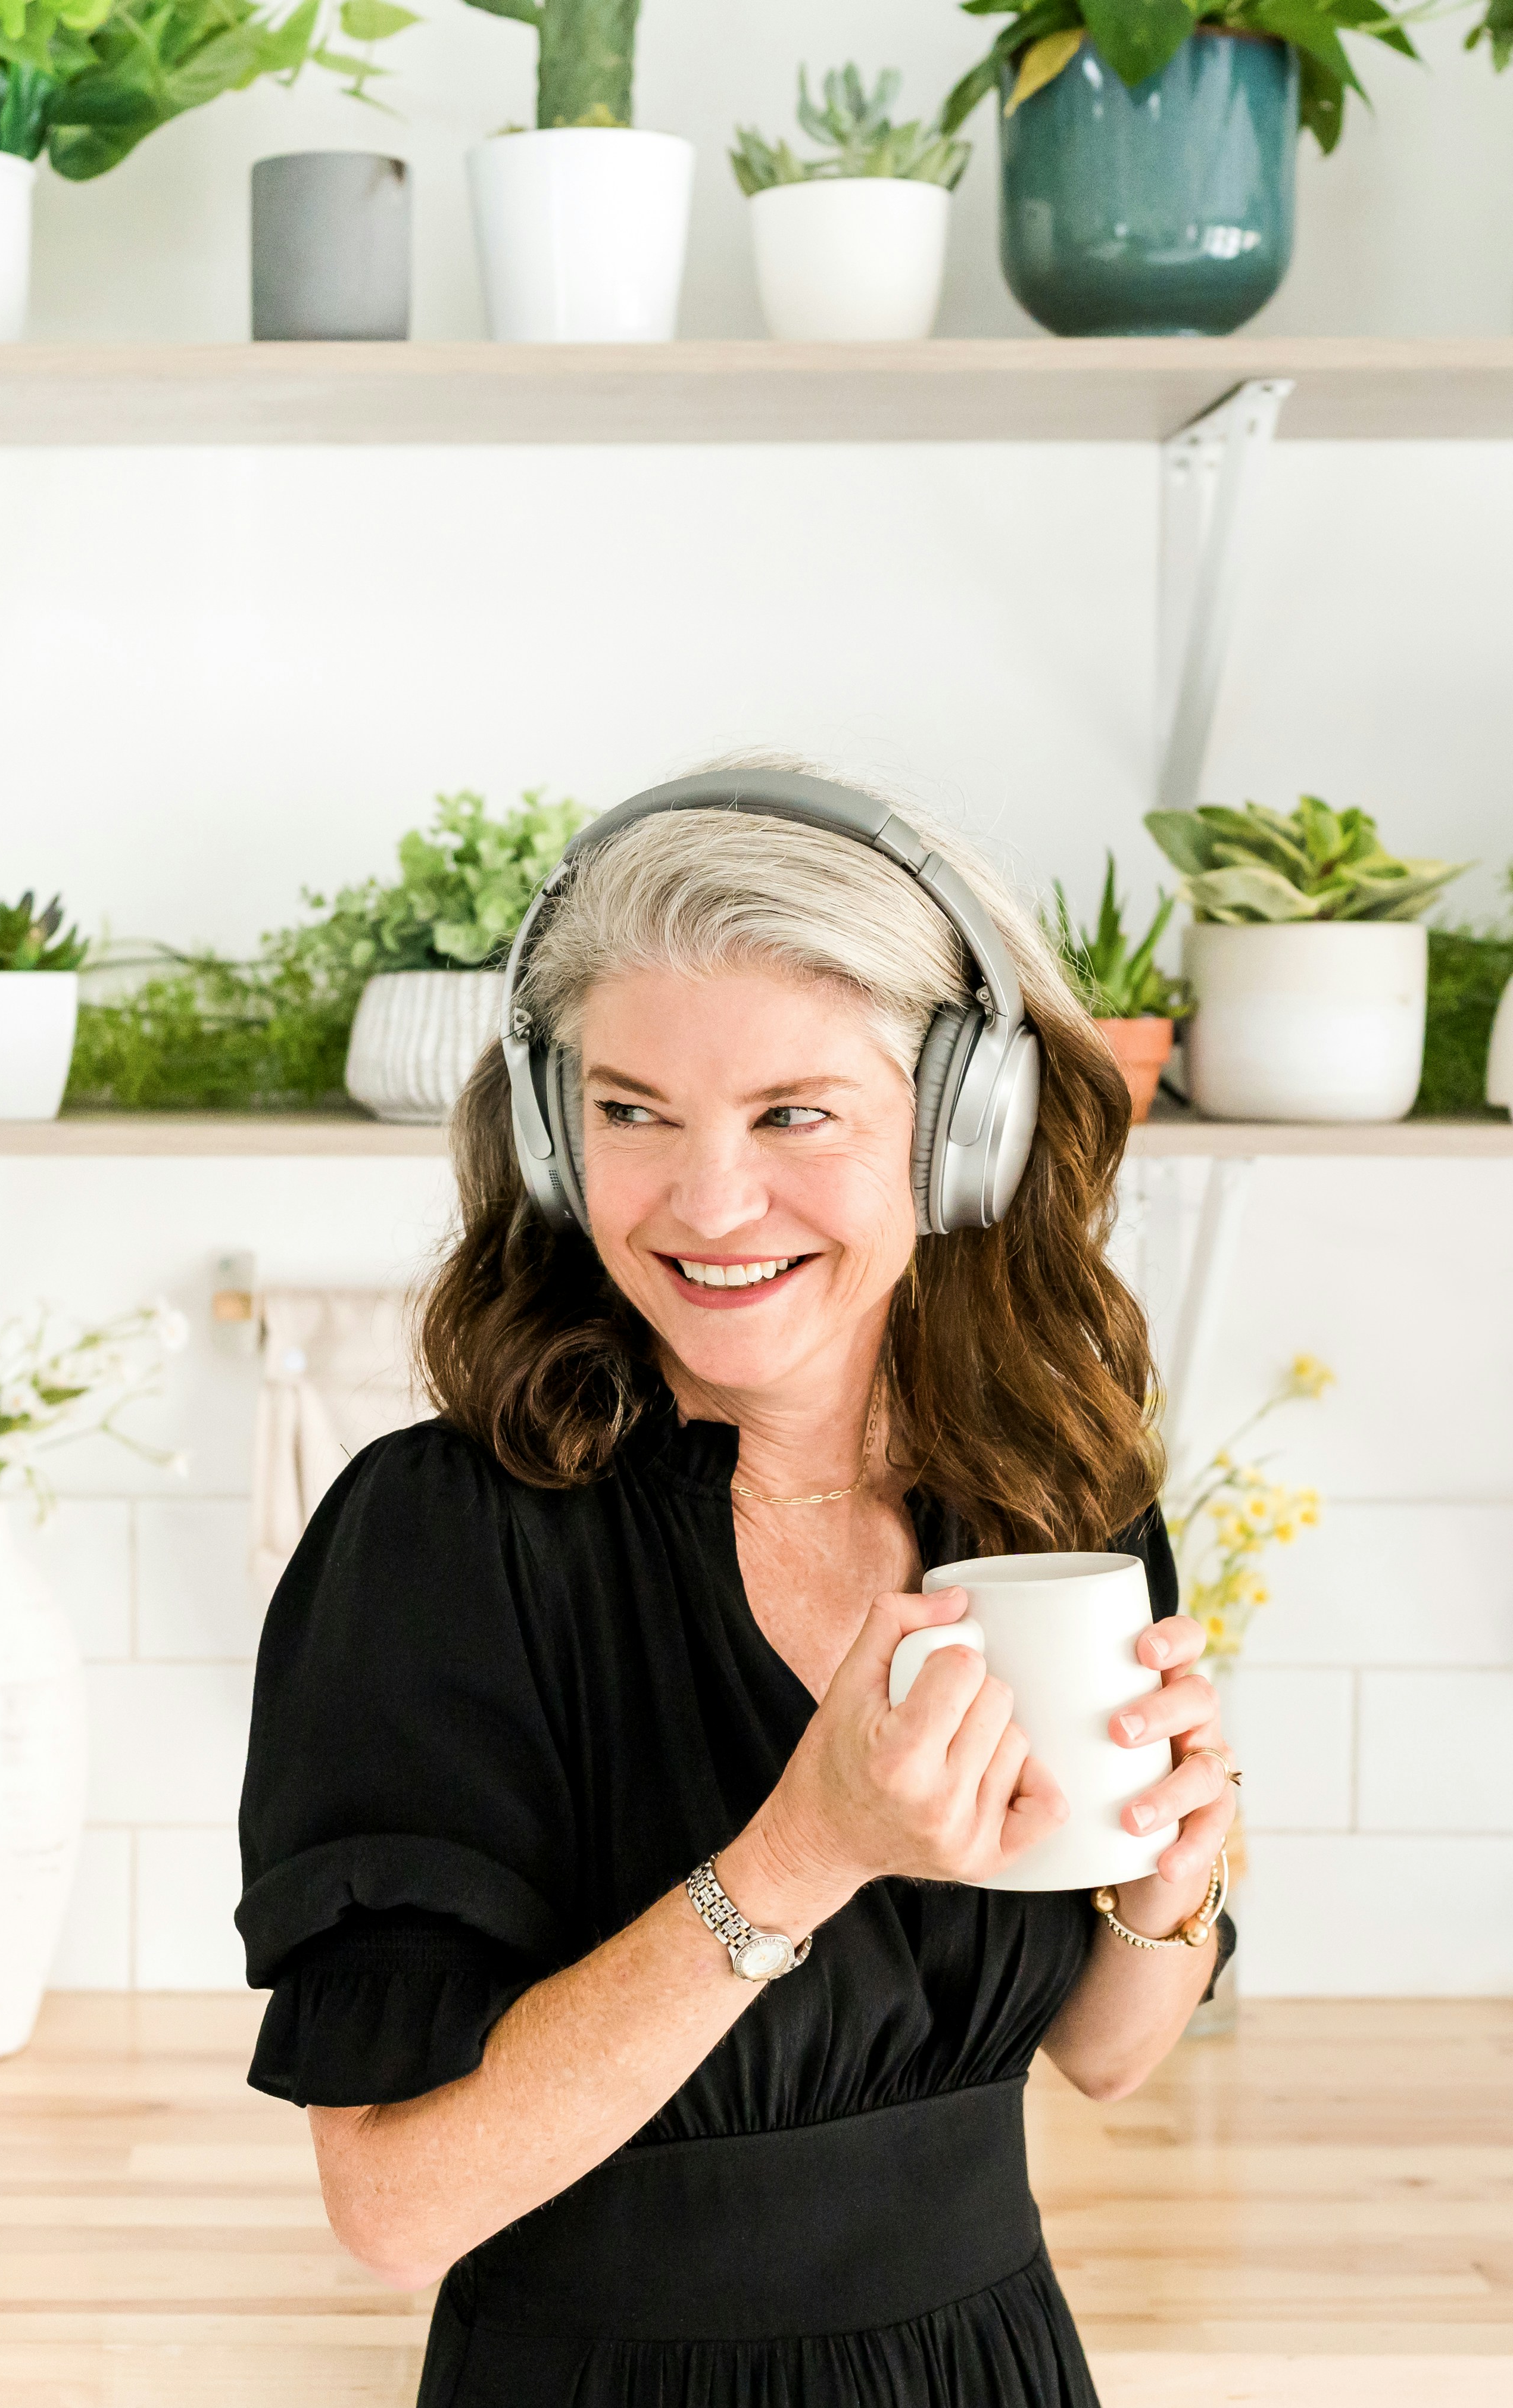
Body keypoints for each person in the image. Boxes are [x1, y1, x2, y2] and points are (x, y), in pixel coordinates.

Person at [236, 767, 1239, 2408]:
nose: (707, 1203)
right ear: (559, 1140)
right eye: (633, 1111)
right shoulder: (438, 1544)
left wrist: (1171, 1877)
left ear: (960, 1126)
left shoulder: (1046, 1495)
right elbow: (395, 2206)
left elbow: (1106, 2054)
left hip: (988, 2365)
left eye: (793, 1113)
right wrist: (802, 1856)